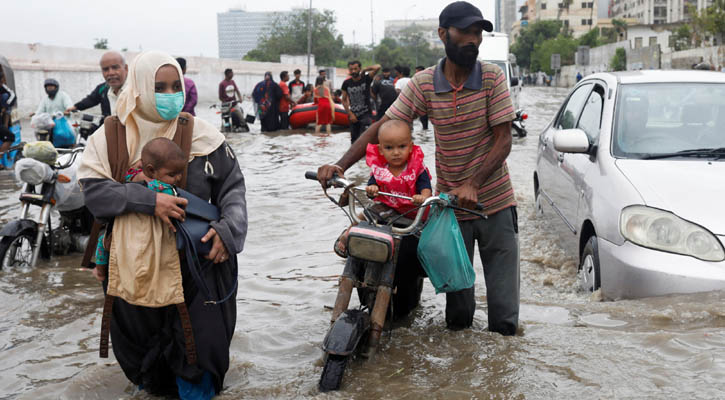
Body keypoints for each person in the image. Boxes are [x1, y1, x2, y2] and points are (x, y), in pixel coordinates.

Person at [317, 1, 519, 335]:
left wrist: (474, 182)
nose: (473, 40)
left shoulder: (492, 79)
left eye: (477, 33)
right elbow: (384, 126)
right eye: (465, 32)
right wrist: (339, 165)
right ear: (443, 34)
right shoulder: (425, 83)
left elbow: (504, 141)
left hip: (495, 204)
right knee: (458, 316)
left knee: (504, 318)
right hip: (450, 210)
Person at [78, 51, 247, 399]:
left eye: (175, 86)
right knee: (143, 358)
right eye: (159, 87)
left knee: (200, 353)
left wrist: (229, 232)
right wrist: (149, 200)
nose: (171, 94)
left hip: (197, 266)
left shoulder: (204, 136)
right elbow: (95, 195)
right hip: (130, 265)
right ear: (139, 88)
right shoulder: (108, 138)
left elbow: (232, 189)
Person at [334, 120, 432, 256]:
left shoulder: (417, 169)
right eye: (389, 148)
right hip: (388, 208)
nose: (396, 152)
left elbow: (426, 188)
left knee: (428, 240)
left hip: (412, 212)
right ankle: (348, 233)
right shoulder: (380, 169)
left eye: (402, 147)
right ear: (380, 150)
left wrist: (422, 197)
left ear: (410, 147)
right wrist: (372, 189)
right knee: (367, 211)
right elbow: (372, 186)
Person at [93, 137, 186, 269]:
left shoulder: (131, 174)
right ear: (151, 170)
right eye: (172, 175)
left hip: (122, 231)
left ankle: (100, 271)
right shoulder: (162, 187)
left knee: (103, 243)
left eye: (180, 173)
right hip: (146, 236)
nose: (178, 178)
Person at [66, 51, 128, 119]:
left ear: (126, 68)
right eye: (105, 69)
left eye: (115, 67)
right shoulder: (103, 88)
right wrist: (75, 107)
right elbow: (91, 100)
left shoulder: (135, 89)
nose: (111, 73)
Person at [342, 60, 380, 143]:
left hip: (366, 114)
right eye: (351, 69)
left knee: (364, 139)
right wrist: (350, 114)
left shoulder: (366, 79)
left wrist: (365, 70)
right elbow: (344, 100)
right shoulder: (346, 83)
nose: (353, 71)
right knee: (354, 141)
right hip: (353, 116)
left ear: (360, 69)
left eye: (355, 69)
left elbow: (378, 67)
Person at [415, 66, 430, 130]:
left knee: (424, 121)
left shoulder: (423, 79)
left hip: (424, 103)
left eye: (417, 72)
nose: (416, 73)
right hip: (423, 103)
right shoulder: (421, 79)